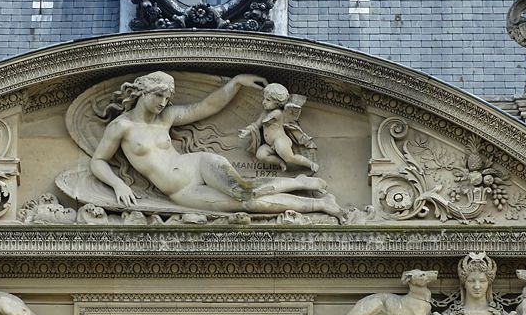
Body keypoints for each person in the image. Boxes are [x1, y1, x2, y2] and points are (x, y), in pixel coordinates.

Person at [91, 72, 345, 220]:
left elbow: (206, 107)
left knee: (244, 191)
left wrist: (235, 83)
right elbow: (98, 160)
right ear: (143, 92)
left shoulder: (166, 117)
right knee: (248, 204)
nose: (163, 102)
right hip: (180, 193)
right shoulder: (121, 127)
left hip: (198, 166)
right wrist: (118, 183)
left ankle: (302, 182)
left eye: (167, 97)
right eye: (159, 96)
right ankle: (318, 204)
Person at [239, 82, 318, 172]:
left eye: (268, 100)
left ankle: (310, 164)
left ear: (277, 103)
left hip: (280, 141)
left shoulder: (277, 113)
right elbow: (257, 125)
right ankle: (280, 162)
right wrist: (246, 131)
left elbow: (266, 121)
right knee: (260, 155)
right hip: (270, 144)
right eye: (264, 98)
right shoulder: (265, 113)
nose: (263, 102)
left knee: (289, 158)